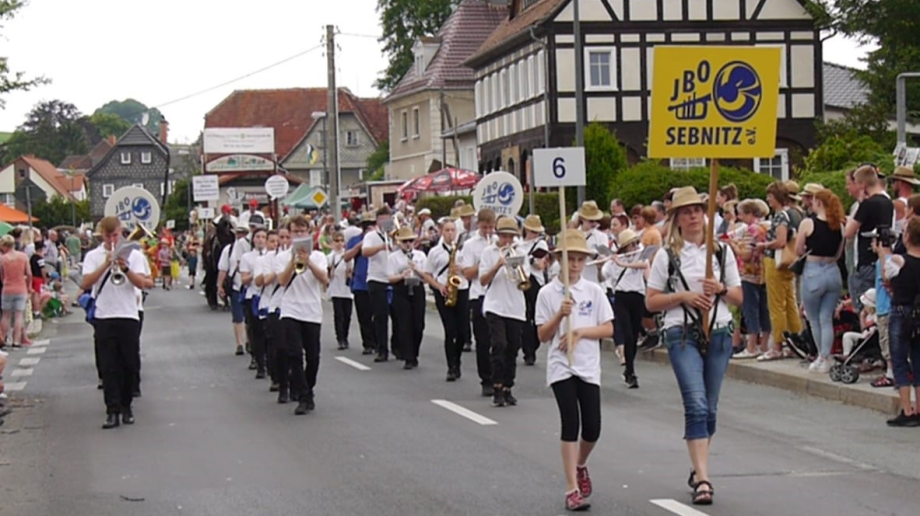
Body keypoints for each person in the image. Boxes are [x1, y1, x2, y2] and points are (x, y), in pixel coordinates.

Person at [646, 187, 743, 506]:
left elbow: (738, 297)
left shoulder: (722, 252)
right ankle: (703, 479)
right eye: (686, 212)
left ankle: (697, 464)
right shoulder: (667, 255)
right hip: (682, 333)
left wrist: (721, 288)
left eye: (697, 211)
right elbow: (651, 301)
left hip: (718, 331)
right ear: (676, 218)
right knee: (697, 404)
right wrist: (683, 296)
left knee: (710, 408)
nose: (693, 217)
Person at [536, 229, 614, 512]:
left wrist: (580, 332)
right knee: (570, 423)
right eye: (570, 259)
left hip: (588, 366)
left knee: (592, 427)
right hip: (562, 367)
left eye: (580, 260)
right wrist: (560, 314)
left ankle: (580, 464)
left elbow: (608, 328)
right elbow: (543, 336)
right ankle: (571, 488)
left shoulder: (594, 291)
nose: (575, 265)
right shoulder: (547, 293)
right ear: (559, 260)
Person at [81, 216, 151, 429]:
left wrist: (125, 268)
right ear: (101, 235)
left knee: (129, 364)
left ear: (121, 233)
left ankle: (126, 406)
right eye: (108, 236)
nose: (112, 240)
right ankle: (112, 410)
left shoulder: (135, 255)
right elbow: (85, 283)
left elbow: (145, 283)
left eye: (115, 235)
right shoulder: (93, 256)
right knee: (108, 366)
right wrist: (106, 263)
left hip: (128, 314)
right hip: (104, 316)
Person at [277, 216, 329, 416]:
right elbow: (282, 281)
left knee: (313, 357)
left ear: (309, 233)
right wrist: (293, 261)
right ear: (290, 234)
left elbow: (324, 278)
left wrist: (309, 262)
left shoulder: (318, 256)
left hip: (312, 311)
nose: (299, 235)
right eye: (295, 232)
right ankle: (304, 396)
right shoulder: (283, 257)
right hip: (290, 309)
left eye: (302, 231)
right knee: (295, 354)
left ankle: (308, 387)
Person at [479, 216, 527, 407]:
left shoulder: (520, 252)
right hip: (495, 305)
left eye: (511, 237)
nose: (507, 240)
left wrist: (516, 267)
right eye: (504, 236)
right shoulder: (488, 252)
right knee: (499, 344)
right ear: (498, 235)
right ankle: (497, 386)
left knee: (513, 348)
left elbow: (525, 280)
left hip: (515, 306)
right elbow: (483, 281)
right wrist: (497, 265)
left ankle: (508, 386)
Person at [795, 188, 845, 372]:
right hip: (832, 270)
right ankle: (827, 356)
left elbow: (799, 249)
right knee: (826, 318)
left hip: (813, 270)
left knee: (813, 318)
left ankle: (821, 356)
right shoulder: (840, 225)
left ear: (818, 202)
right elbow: (839, 254)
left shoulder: (808, 223)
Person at [880, 217, 920, 427]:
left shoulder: (899, 260)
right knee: (918, 359)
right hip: (918, 311)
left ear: (907, 237)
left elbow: (886, 277)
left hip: (901, 311)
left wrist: (882, 253)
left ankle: (907, 409)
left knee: (899, 361)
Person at [424, 218, 469, 381]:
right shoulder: (435, 252)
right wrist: (438, 286)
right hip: (443, 290)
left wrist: (462, 269)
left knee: (462, 332)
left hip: (461, 289)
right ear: (442, 232)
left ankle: (457, 359)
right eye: (447, 230)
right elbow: (427, 274)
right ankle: (451, 366)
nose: (450, 233)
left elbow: (471, 270)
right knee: (450, 331)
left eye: (452, 230)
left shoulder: (463, 250)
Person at [603, 229, 648, 389]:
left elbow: (645, 265)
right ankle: (631, 371)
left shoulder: (640, 255)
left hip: (638, 296)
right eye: (631, 244)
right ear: (624, 247)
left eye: (636, 243)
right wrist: (605, 263)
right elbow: (604, 275)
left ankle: (629, 369)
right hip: (622, 297)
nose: (635, 246)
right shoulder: (615, 260)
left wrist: (623, 264)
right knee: (627, 334)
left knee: (634, 336)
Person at [846, 165, 895, 312]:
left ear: (863, 184)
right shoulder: (888, 202)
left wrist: (860, 204)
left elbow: (848, 232)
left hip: (866, 260)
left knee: (866, 308)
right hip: (882, 256)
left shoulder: (867, 204)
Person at [459, 208, 497, 397]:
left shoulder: (499, 241)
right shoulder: (470, 245)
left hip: (498, 294)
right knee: (482, 341)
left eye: (491, 227)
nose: (488, 231)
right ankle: (486, 380)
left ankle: (500, 379)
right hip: (478, 294)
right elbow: (467, 273)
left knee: (499, 341)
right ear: (479, 225)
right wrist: (486, 262)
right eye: (485, 228)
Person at [388, 226, 427, 369]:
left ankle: (414, 352)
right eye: (405, 241)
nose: (408, 244)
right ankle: (408, 357)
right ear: (399, 242)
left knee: (418, 324)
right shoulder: (393, 257)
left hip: (417, 287)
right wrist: (401, 275)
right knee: (404, 324)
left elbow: (427, 277)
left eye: (410, 241)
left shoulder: (420, 256)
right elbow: (390, 278)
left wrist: (416, 269)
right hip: (401, 289)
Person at [363, 207, 393, 362]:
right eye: (382, 218)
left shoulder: (395, 234)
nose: (385, 221)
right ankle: (382, 349)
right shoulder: (371, 235)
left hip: (394, 277)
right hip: (376, 278)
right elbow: (365, 252)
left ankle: (397, 346)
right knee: (380, 316)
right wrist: (381, 247)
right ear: (377, 220)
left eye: (388, 218)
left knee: (399, 316)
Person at [217, 225, 252, 356]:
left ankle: (249, 341)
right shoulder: (229, 249)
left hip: (251, 287)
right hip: (236, 286)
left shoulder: (252, 249)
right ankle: (239, 344)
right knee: (238, 317)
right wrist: (220, 286)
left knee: (250, 317)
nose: (240, 236)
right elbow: (223, 269)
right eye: (238, 233)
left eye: (243, 233)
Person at [345, 212, 376, 355]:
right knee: (364, 315)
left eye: (371, 224)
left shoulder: (379, 238)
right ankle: (368, 343)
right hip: (360, 282)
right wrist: (358, 246)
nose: (368, 227)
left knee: (378, 315)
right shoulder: (355, 239)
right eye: (366, 225)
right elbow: (346, 257)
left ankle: (379, 342)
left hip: (377, 280)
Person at [0, 235, 32, 348]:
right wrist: (29, 286)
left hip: (7, 288)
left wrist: (5, 282)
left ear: (4, 245)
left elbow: (2, 276)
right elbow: (29, 274)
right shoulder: (23, 257)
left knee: (6, 315)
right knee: (19, 315)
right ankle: (16, 341)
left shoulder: (2, 259)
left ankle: (3, 339)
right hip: (21, 288)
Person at [327, 231, 354, 350]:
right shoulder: (330, 257)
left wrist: (350, 273)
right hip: (336, 289)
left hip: (347, 290)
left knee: (347, 315)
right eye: (336, 241)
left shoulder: (348, 255)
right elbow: (326, 272)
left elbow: (352, 269)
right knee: (339, 315)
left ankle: (345, 336)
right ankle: (340, 338)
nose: (339, 243)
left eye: (341, 241)